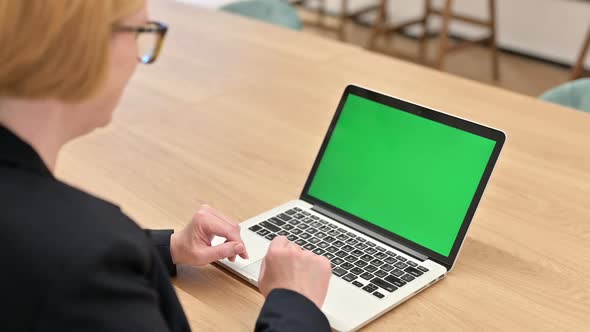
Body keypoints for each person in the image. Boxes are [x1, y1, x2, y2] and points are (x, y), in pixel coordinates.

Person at [0, 1, 332, 331]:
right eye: (140, 33)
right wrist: (294, 304)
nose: (138, 60)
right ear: (82, 47)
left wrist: (165, 248)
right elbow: (66, 255)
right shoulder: (84, 267)